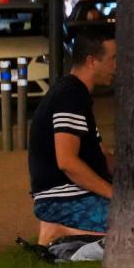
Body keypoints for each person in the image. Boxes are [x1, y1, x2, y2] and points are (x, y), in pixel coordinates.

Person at [28, 30, 117, 244]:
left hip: (72, 195)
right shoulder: (71, 97)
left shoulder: (76, 94)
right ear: (91, 61)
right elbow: (67, 162)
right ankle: (60, 232)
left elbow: (101, 154)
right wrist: (114, 194)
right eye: (113, 59)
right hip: (64, 199)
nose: (116, 66)